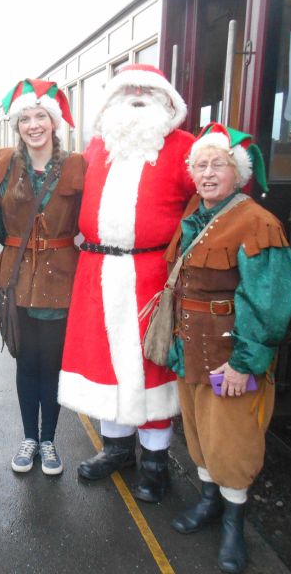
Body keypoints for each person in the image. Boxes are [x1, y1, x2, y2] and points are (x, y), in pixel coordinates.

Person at [58, 64, 195, 502]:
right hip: (97, 272)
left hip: (151, 274)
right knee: (105, 363)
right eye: (128, 89)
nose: (136, 95)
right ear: (113, 101)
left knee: (148, 366)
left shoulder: (183, 147)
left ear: (165, 100)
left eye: (146, 90)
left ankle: (155, 461)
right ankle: (116, 448)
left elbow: (210, 197)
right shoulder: (99, 146)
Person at [166, 123, 291, 574]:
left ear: (237, 172)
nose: (206, 173)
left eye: (217, 164)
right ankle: (209, 503)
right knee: (201, 435)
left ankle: (234, 525)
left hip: (230, 355)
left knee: (233, 442)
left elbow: (270, 302)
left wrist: (245, 363)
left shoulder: (257, 223)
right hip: (191, 350)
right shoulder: (196, 214)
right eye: (199, 165)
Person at [0, 79, 86, 476]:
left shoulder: (77, 165)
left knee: (53, 364)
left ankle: (49, 442)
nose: (33, 124)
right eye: (25, 118)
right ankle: (30, 438)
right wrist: (13, 249)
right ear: (18, 125)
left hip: (62, 279)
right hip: (17, 280)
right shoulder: (5, 163)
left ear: (54, 122)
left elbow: (88, 218)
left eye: (40, 116)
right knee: (26, 363)